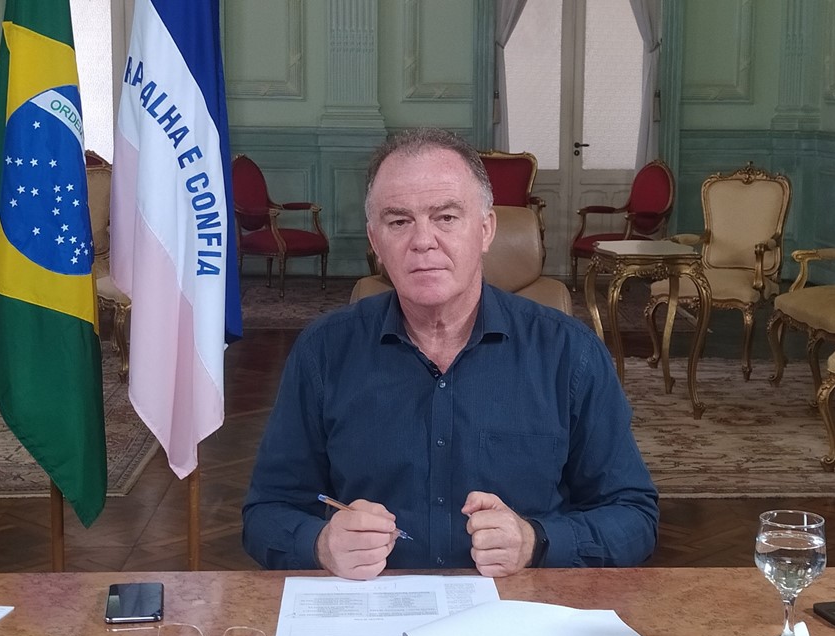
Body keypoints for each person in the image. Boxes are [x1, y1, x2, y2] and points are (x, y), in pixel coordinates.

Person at [242, 127, 658, 580]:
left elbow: (634, 517)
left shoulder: (569, 353)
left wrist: (536, 541)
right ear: (375, 241)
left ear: (485, 229)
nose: (423, 241)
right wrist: (321, 544)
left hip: (518, 609)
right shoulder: (323, 352)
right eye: (399, 222)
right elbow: (266, 512)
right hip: (374, 608)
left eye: (445, 217)